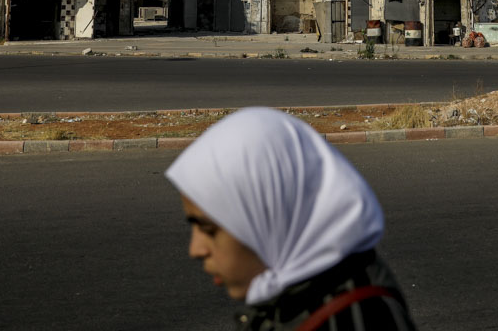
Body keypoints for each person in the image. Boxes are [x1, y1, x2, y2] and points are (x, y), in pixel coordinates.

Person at [166, 107, 418, 331]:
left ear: (270, 216)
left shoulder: (355, 319)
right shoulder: (297, 296)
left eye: (209, 229)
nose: (195, 250)